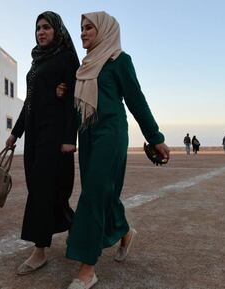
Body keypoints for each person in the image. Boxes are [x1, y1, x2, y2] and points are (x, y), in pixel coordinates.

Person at [64, 12, 170, 289]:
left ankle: (87, 269)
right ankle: (124, 232)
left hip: (111, 133)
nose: (83, 33)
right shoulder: (84, 67)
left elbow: (136, 100)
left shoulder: (120, 61)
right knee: (102, 192)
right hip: (87, 134)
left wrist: (155, 136)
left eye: (89, 28)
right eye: (82, 28)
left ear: (105, 31)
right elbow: (77, 109)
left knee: (92, 195)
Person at [5, 11, 80, 275]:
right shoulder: (37, 61)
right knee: (50, 190)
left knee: (40, 190)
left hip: (55, 136)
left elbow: (74, 99)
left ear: (57, 30)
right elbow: (30, 101)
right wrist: (16, 133)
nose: (41, 32)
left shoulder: (67, 58)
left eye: (47, 27)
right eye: (38, 28)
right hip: (35, 136)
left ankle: (39, 251)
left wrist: (71, 138)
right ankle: (76, 227)